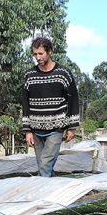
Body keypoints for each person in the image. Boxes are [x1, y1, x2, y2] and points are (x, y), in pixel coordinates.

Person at [22, 36, 80, 177]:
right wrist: (27, 130)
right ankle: (54, 192)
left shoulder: (63, 74)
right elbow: (25, 103)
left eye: (41, 53)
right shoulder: (30, 75)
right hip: (36, 129)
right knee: (43, 166)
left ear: (50, 52)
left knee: (45, 164)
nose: (38, 57)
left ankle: (41, 197)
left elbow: (73, 99)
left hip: (56, 127)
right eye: (35, 54)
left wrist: (71, 127)